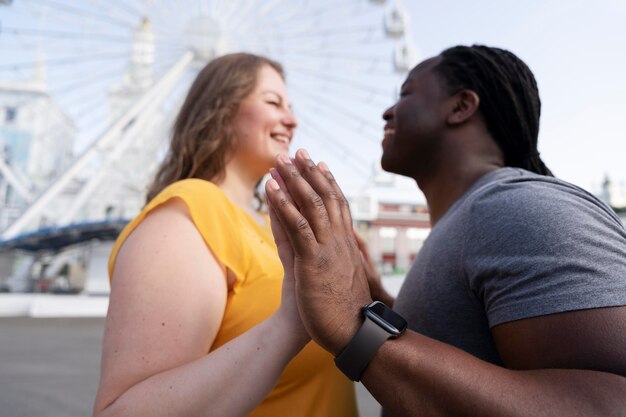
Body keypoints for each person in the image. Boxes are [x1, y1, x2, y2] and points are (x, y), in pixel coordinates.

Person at [264, 45, 626, 416]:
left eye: (406, 93)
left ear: (460, 107)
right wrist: (376, 302)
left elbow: (608, 404)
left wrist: (356, 328)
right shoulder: (473, 217)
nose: (387, 111)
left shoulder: (518, 206)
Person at [92, 53, 358, 417]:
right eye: (272, 102)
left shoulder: (271, 225)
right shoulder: (188, 213)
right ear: (221, 108)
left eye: (291, 106)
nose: (292, 120)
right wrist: (293, 321)